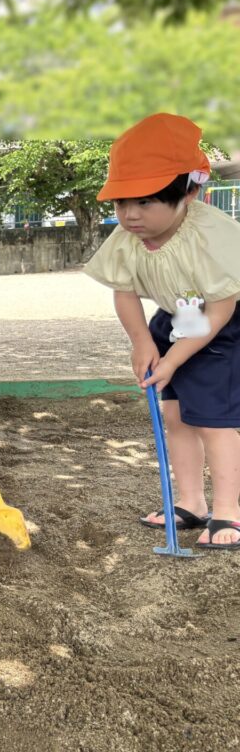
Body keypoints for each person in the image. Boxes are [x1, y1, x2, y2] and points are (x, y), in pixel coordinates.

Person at [84, 112, 240, 550]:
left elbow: (219, 311)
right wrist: (142, 342)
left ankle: (228, 510)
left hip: (221, 329)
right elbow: (124, 292)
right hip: (172, 321)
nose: (130, 215)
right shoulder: (127, 238)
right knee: (175, 415)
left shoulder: (213, 235)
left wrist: (172, 359)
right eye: (121, 203)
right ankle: (191, 502)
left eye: (146, 202)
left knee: (213, 421)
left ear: (188, 192)